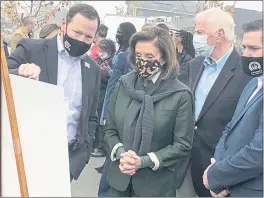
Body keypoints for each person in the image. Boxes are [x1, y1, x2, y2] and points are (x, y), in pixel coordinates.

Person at [7, 3, 101, 182]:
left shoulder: (92, 69)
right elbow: (5, 74)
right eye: (76, 33)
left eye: (88, 37)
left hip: (66, 161)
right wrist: (19, 71)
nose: (81, 40)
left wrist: (80, 158)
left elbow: (90, 117)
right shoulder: (32, 49)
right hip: (24, 156)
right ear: (64, 24)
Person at [104, 26, 194, 197]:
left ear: (165, 57)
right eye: (138, 56)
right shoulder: (123, 85)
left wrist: (144, 161)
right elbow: (110, 129)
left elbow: (182, 145)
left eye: (149, 56)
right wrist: (122, 154)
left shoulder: (180, 95)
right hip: (120, 182)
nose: (142, 61)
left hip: (155, 187)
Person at [178, 8, 252, 197]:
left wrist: (229, 173)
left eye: (200, 32)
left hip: (216, 168)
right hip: (183, 161)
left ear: (219, 34)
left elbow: (246, 130)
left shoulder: (246, 73)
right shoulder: (195, 65)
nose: (195, 37)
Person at [203, 19, 263, 197]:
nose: (245, 54)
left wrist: (216, 175)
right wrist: (218, 166)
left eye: (253, 48)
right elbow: (230, 128)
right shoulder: (253, 84)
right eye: (244, 47)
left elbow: (259, 153)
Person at [97, 22, 136, 197]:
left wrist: (106, 113)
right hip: (119, 114)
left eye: (121, 32)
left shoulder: (128, 56)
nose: (118, 34)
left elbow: (113, 86)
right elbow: (114, 86)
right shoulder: (122, 54)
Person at [91, 39, 116, 158]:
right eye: (99, 50)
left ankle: (99, 146)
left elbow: (113, 79)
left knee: (101, 121)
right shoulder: (98, 60)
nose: (100, 52)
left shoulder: (112, 63)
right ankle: (93, 144)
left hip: (104, 93)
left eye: (103, 50)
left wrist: (104, 74)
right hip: (96, 92)